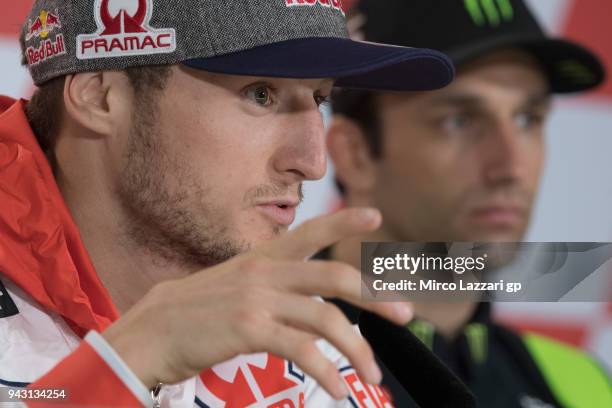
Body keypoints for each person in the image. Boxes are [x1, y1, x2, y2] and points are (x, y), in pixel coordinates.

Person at [0, 0, 457, 407]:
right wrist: (131, 361)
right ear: (100, 96)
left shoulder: (295, 340)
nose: (312, 163)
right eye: (261, 94)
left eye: (319, 98)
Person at [325, 0, 611, 407]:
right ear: (354, 153)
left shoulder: (584, 384)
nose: (510, 166)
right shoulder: (253, 361)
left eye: (528, 118)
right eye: (458, 120)